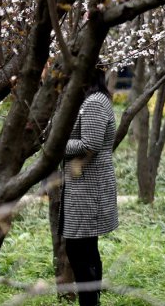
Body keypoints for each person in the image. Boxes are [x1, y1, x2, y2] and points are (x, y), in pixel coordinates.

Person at [62, 68, 118, 306]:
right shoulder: (91, 100)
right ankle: (91, 300)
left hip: (89, 186)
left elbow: (90, 144)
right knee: (84, 248)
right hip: (84, 184)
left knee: (79, 250)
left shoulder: (94, 102)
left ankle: (89, 301)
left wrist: (56, 143)